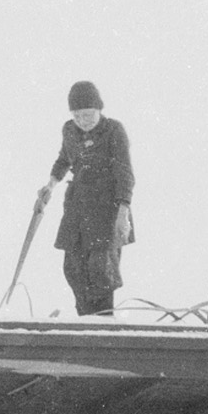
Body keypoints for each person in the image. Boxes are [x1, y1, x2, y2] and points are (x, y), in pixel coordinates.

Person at [36, 80, 136, 315]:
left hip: (106, 210)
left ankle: (103, 324)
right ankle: (85, 321)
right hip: (77, 209)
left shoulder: (114, 130)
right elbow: (63, 160)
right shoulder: (69, 130)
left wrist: (123, 212)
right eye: (78, 115)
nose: (83, 121)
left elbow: (125, 173)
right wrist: (50, 184)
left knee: (101, 271)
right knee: (74, 268)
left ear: (99, 109)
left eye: (88, 114)